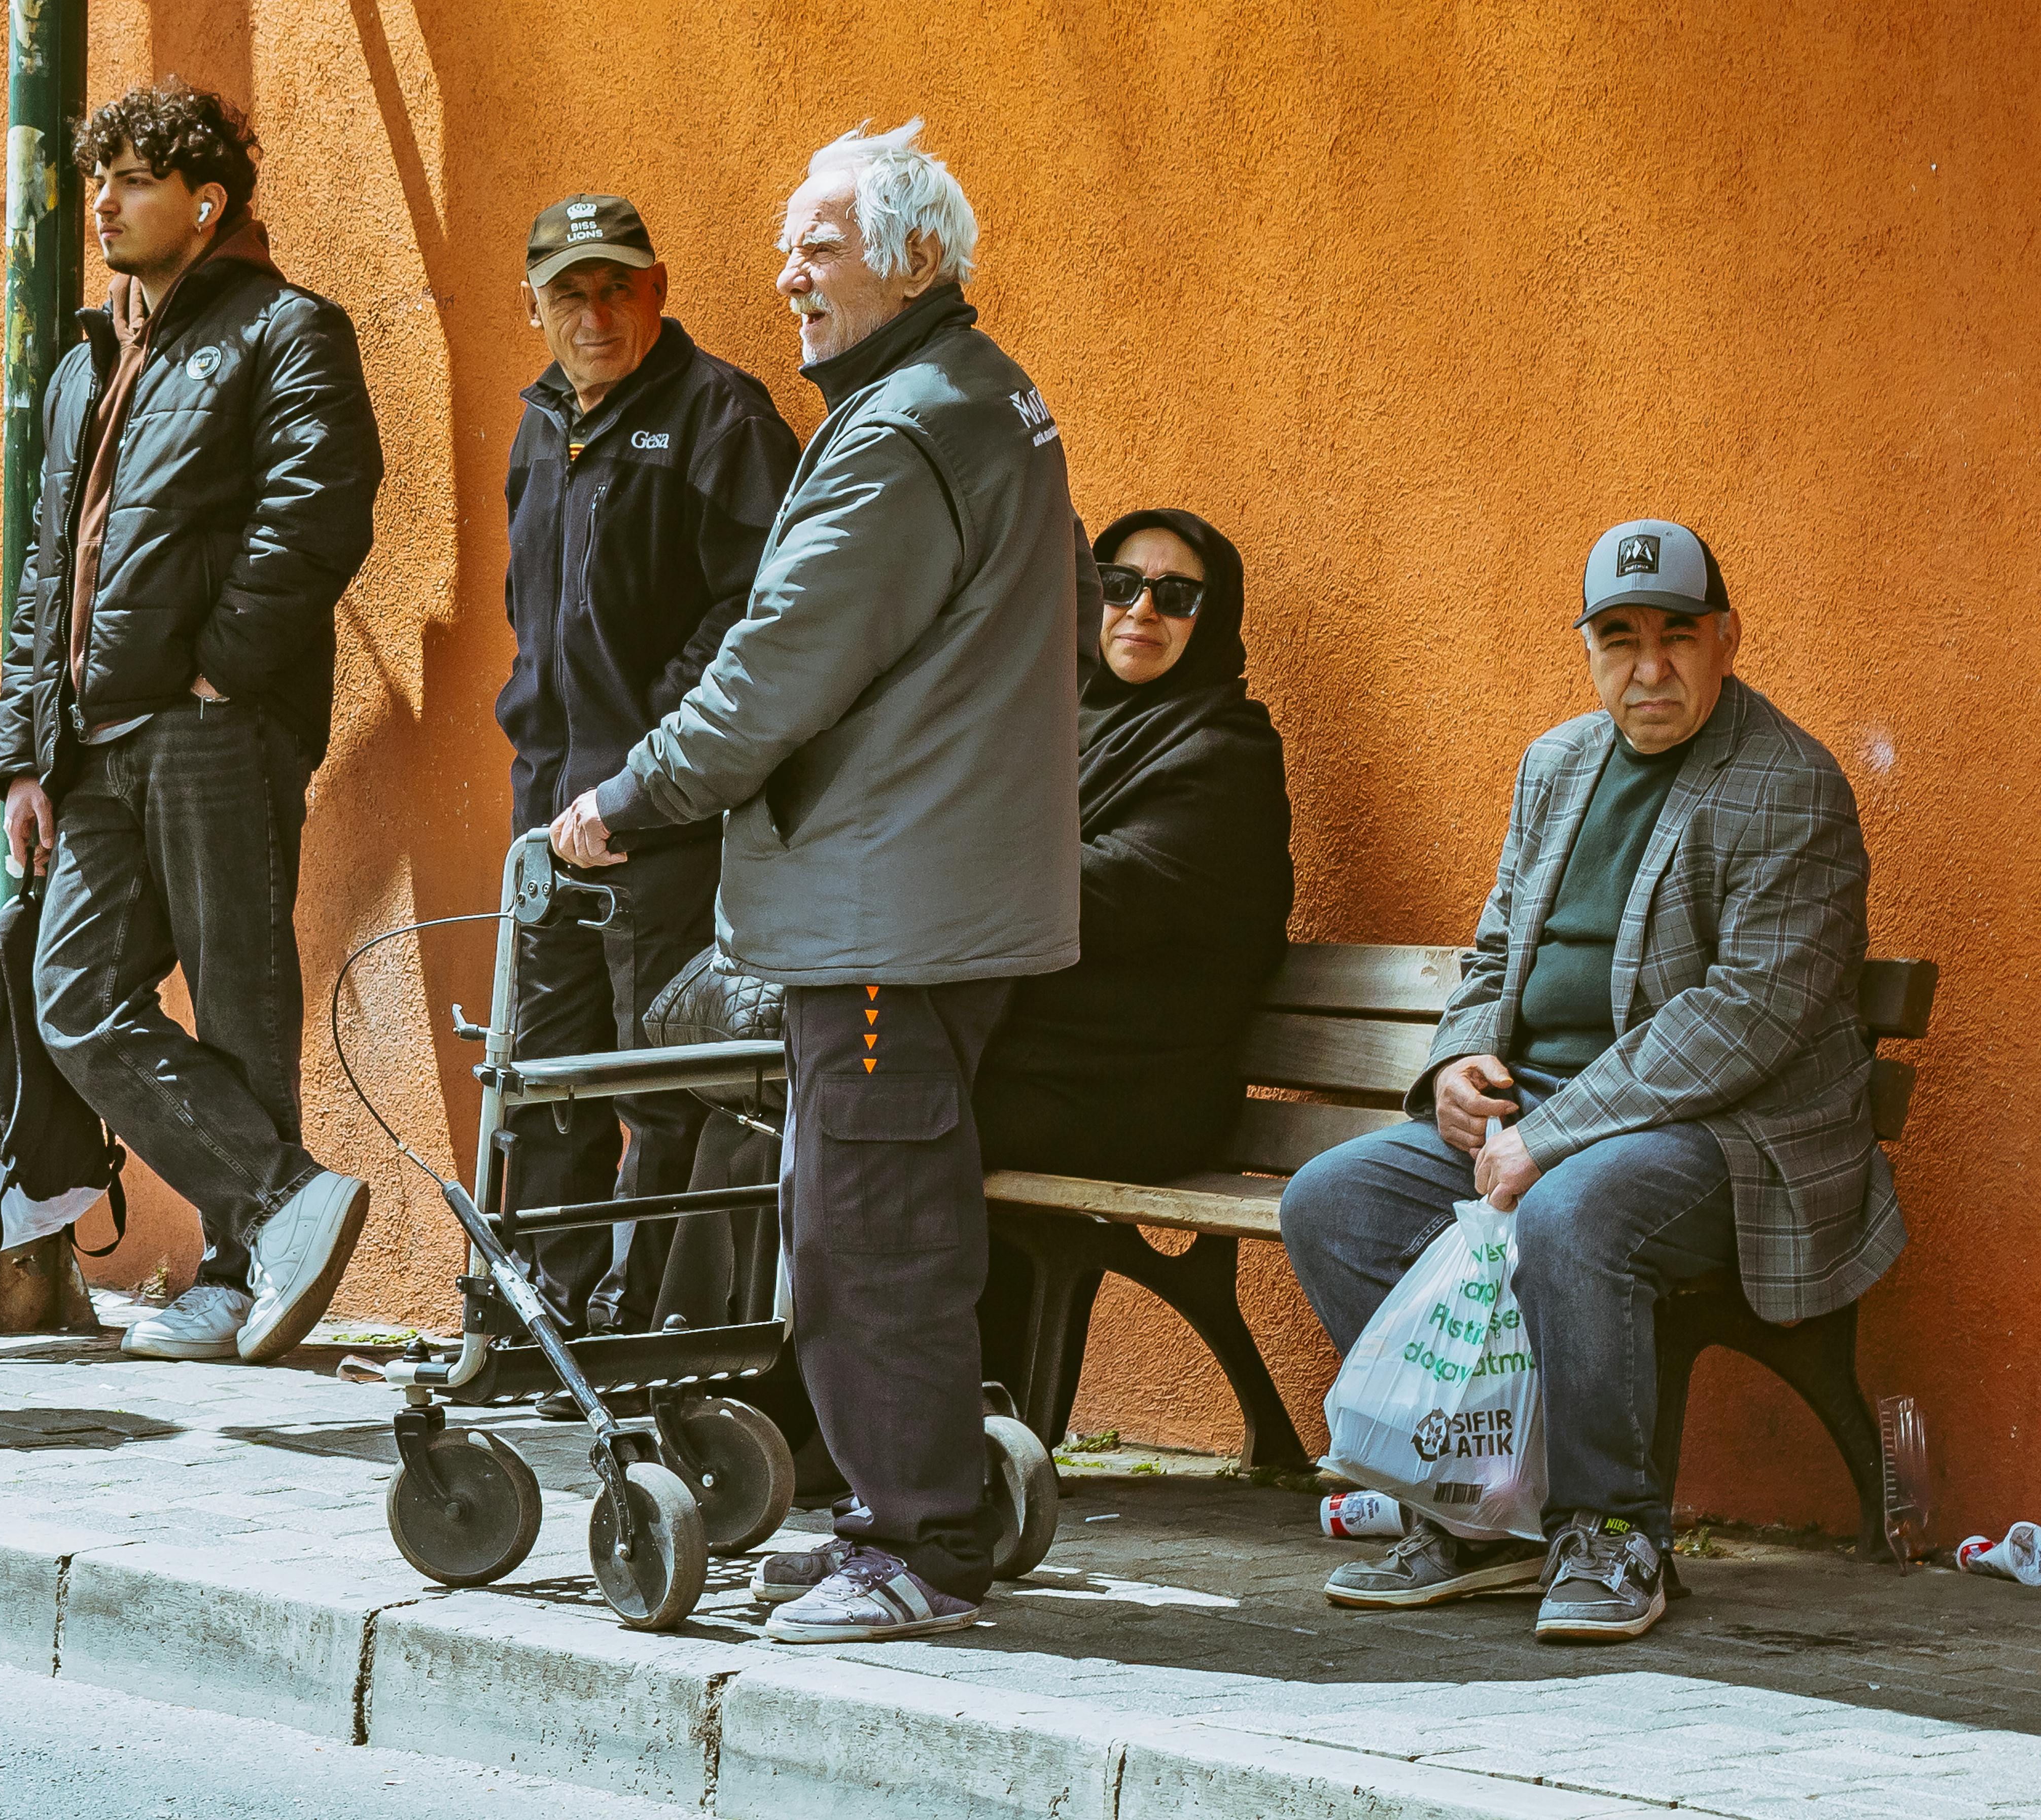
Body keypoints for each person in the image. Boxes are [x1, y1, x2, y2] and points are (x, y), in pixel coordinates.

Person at [551, 119, 1079, 1645]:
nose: (786, 269)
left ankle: (914, 1548)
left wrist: (630, 798)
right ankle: (903, 1505)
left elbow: (774, 670)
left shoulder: (901, 428)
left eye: (821, 243)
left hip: (885, 915)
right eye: (789, 241)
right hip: (929, 896)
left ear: (917, 258)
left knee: (871, 1231)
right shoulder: (979, 395)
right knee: (875, 1208)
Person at [1279, 520, 1899, 1645]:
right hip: (1547, 1118)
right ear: (1588, 648)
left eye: (1676, 636)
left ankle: (1613, 1533)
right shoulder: (1556, 763)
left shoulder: (1788, 785)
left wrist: (1551, 1135)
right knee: (1332, 1199)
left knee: (1572, 1211)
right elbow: (1493, 947)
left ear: (1727, 640)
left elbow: (1744, 1019)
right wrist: (1455, 1068)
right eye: (1619, 639)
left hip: (1732, 1139)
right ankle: (1473, 1514)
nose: (1648, 667)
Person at [0, 78, 385, 1366]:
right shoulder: (87, 359)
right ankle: (280, 1203)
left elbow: (317, 515)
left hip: (217, 724)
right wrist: (23, 753)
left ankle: (234, 1277)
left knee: (238, 999)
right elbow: (47, 565)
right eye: (97, 175)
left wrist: (222, 670)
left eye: (133, 180)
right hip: (98, 740)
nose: (100, 200)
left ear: (204, 202)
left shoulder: (286, 331)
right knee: (75, 998)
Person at [493, 191, 791, 1335]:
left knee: (659, 1080)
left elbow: (758, 617)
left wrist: (648, 765)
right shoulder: (540, 425)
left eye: (617, 285)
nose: (596, 311)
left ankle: (654, 1322)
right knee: (543, 1077)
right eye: (570, 292)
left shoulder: (720, 416)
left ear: (657, 288)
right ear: (535, 307)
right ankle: (544, 1310)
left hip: (661, 815)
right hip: (546, 815)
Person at [977, 509, 1295, 1180]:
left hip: (1132, 1090)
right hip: (1027, 1056)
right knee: (781, 1106)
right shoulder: (1054, 724)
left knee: (878, 1107)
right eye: (1118, 584)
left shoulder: (1227, 754)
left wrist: (942, 862)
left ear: (1211, 618)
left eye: (1177, 595)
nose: (1142, 609)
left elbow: (1107, 894)